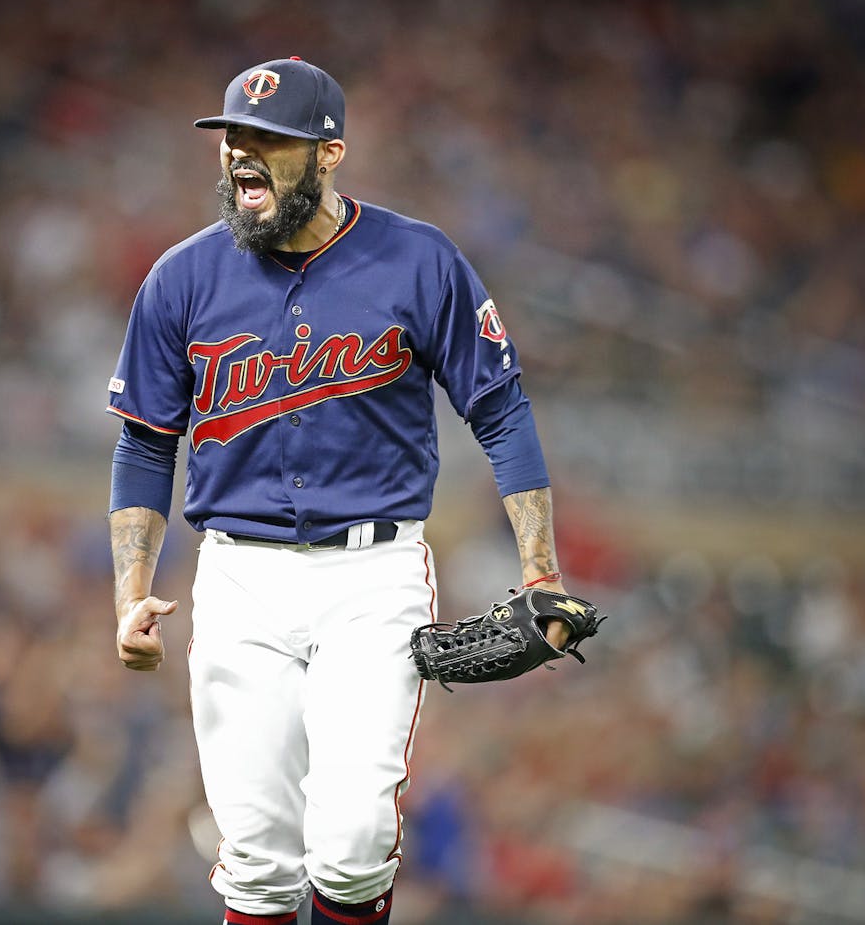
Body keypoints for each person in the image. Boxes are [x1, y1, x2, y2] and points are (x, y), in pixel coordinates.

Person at [107, 56, 573, 925]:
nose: (243, 154)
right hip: (240, 574)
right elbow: (144, 444)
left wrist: (540, 569)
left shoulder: (419, 259)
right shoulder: (179, 279)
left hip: (372, 575)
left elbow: (501, 413)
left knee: (355, 846)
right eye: (233, 137)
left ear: (328, 153)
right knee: (254, 858)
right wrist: (130, 594)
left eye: (269, 141)